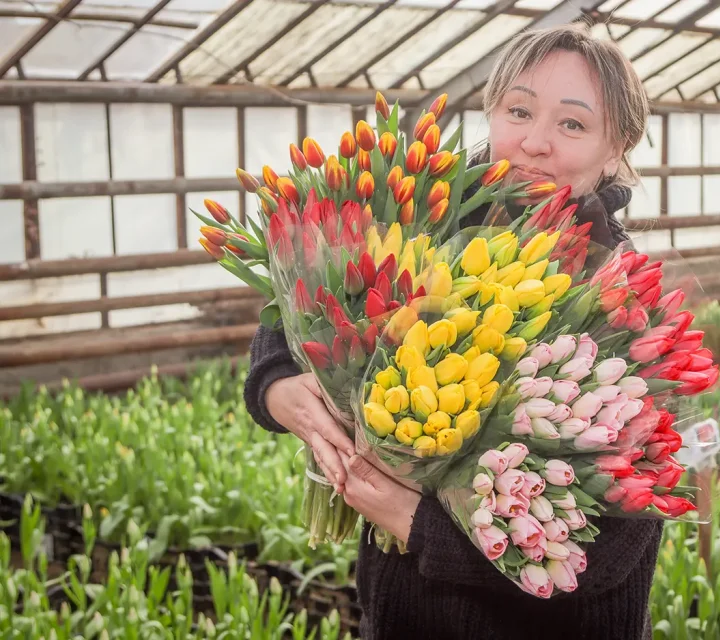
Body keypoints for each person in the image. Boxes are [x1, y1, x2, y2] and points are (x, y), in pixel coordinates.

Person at [243, 24, 658, 640]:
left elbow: (603, 558)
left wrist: (412, 521)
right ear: (491, 111)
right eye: (519, 110)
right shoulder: (422, 217)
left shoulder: (622, 301)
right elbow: (303, 305)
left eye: (573, 124)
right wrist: (278, 385)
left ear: (616, 143)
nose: (535, 143)